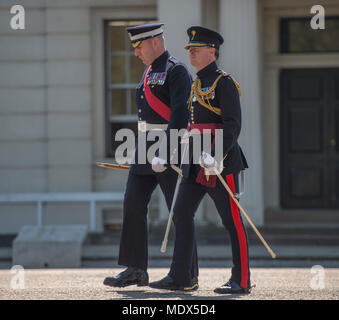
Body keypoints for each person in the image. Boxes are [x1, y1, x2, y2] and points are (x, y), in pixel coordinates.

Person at [149, 26, 252, 294]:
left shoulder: (224, 82)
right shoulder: (196, 84)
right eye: (189, 49)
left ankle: (241, 280)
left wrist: (216, 155)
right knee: (181, 212)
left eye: (197, 48)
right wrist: (166, 151)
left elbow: (232, 125)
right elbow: (187, 124)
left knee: (231, 222)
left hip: (219, 163)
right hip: (195, 160)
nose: (191, 52)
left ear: (212, 51)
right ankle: (182, 276)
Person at [103, 23, 199, 290]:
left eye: (139, 46)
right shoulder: (148, 72)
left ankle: (186, 275)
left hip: (171, 149)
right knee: (132, 205)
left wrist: (166, 152)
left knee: (179, 213)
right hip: (144, 147)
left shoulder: (176, 70)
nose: (135, 52)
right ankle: (135, 269)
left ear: (156, 42)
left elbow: (180, 115)